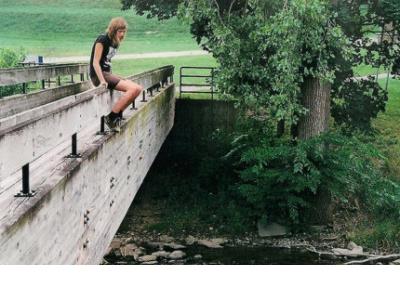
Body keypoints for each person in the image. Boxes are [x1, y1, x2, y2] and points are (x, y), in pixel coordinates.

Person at [89, 17, 143, 132]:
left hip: (106, 73)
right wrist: (102, 80)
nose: (122, 34)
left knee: (138, 89)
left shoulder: (115, 42)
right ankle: (111, 117)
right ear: (113, 30)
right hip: (98, 75)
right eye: (120, 31)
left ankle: (117, 114)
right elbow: (95, 62)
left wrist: (116, 76)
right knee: (133, 89)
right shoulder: (102, 39)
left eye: (124, 31)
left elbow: (107, 61)